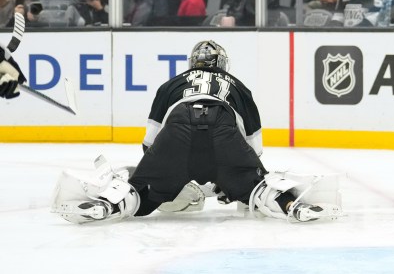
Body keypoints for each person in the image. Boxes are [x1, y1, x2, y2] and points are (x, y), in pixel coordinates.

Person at [50, 40, 340, 224]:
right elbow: (254, 149)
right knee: (258, 187)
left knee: (139, 191)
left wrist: (159, 176)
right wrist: (235, 182)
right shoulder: (238, 85)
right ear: (223, 65)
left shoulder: (172, 84)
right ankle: (292, 206)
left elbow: (150, 143)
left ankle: (104, 206)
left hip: (178, 127)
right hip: (223, 128)